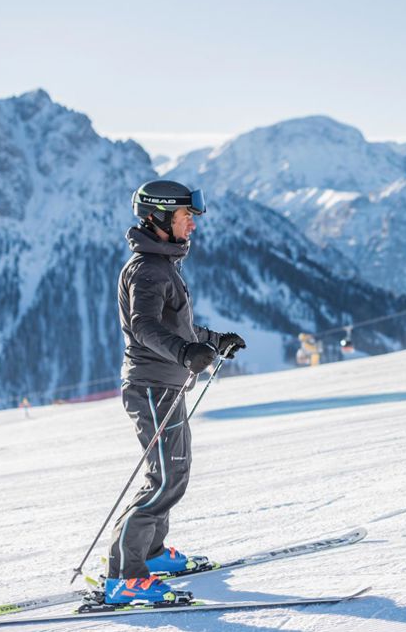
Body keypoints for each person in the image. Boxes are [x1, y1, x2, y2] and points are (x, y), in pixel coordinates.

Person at [104, 180, 247, 605]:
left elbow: (176, 327)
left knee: (173, 474)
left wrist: (212, 340)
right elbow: (145, 327)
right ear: (161, 217)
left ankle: (151, 553)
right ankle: (124, 575)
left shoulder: (162, 266)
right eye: (187, 217)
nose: (193, 226)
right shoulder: (148, 270)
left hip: (165, 384)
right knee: (165, 478)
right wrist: (186, 352)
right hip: (151, 386)